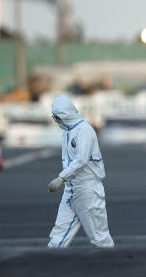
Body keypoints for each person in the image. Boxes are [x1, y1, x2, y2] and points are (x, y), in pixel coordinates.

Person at [46, 94, 114, 248]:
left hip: (87, 190)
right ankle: (50, 261)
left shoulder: (84, 131)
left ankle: (112, 265)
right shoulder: (67, 132)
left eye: (56, 117)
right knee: (59, 234)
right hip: (71, 189)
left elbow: (81, 160)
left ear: (64, 115)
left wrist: (61, 178)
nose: (55, 121)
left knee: (99, 237)